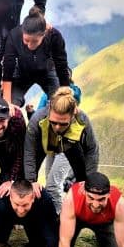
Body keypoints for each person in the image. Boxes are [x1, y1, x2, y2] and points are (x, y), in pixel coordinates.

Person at [24, 86, 99, 214]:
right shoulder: (38, 119)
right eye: (54, 122)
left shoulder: (82, 119)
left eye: (63, 123)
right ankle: (51, 215)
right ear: (49, 111)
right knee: (36, 184)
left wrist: (88, 182)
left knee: (57, 186)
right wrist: (31, 181)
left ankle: (67, 218)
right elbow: (29, 151)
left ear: (73, 114)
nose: (58, 127)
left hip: (71, 146)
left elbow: (92, 150)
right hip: (46, 144)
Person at [2, 6, 70, 109]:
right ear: (22, 32)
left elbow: (61, 66)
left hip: (48, 72)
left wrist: (66, 97)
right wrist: (7, 102)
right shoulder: (14, 35)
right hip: (22, 73)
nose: (29, 45)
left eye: (34, 41)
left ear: (44, 34)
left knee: (59, 105)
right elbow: (8, 68)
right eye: (26, 40)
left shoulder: (54, 36)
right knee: (8, 106)